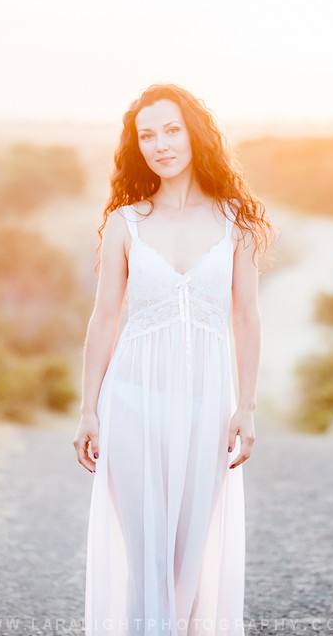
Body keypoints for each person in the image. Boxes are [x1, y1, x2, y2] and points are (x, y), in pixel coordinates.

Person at [73, 83, 278, 636]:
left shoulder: (235, 220)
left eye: (171, 130)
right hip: (133, 403)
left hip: (209, 409)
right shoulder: (126, 222)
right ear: (136, 146)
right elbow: (104, 319)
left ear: (194, 134)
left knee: (189, 564)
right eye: (147, 135)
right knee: (149, 566)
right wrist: (89, 409)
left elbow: (247, 318)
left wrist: (247, 406)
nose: (160, 144)